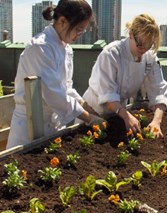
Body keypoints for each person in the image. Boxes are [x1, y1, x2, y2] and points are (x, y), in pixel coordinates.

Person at [6, 0, 104, 149]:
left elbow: (66, 88)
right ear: (62, 21)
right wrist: (87, 117)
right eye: (78, 29)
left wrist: (85, 105)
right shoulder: (41, 47)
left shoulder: (66, 48)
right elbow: (54, 95)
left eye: (82, 31)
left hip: (53, 123)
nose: (79, 35)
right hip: (28, 125)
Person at [82, 14, 167, 138]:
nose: (144, 49)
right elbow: (107, 94)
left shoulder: (149, 58)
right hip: (93, 113)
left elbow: (158, 90)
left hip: (118, 114)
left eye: (149, 45)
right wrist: (125, 115)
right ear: (131, 34)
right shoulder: (112, 53)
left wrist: (156, 121)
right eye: (140, 43)